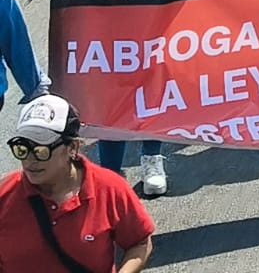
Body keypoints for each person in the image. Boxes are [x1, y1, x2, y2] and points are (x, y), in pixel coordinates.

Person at [0, 95, 155, 272]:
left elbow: (140, 243)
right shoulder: (4, 196)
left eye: (41, 151)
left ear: (72, 148)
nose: (29, 160)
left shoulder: (109, 189)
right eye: (22, 149)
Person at [94, 0, 176, 194]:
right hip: (111, 45)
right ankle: (110, 175)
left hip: (155, 42)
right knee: (110, 108)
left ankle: (152, 159)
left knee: (151, 101)